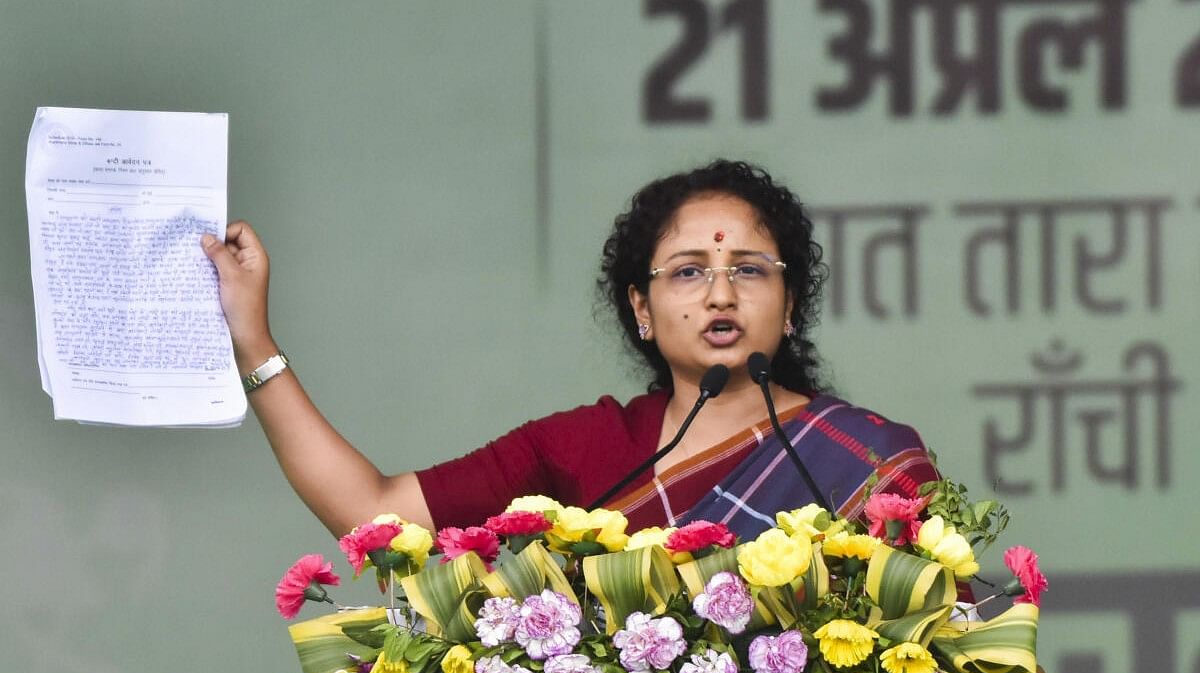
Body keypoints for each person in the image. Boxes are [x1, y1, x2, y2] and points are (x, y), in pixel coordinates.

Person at [201, 159, 938, 541]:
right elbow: (372, 512)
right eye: (688, 272)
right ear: (642, 310)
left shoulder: (863, 458)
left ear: (792, 301)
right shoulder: (587, 446)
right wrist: (254, 343)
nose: (720, 295)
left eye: (749, 269)